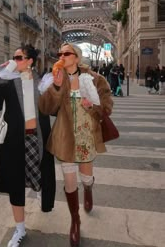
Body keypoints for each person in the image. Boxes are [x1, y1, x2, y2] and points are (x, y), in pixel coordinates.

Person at [38, 42, 113, 247]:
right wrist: (55, 86)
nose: (61, 56)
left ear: (77, 58)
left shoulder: (95, 79)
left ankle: (88, 188)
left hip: (86, 136)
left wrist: (92, 106)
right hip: (64, 136)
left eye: (66, 53)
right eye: (59, 53)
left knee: (85, 177)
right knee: (69, 180)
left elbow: (106, 107)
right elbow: (45, 108)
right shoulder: (56, 78)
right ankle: (75, 220)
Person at [0, 45, 56, 247]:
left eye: (19, 57)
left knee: (41, 177)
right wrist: (1, 78)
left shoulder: (42, 82)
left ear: (30, 61)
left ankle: (41, 196)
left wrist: (58, 89)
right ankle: (19, 229)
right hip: (14, 140)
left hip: (38, 139)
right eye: (14, 57)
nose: (15, 60)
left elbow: (53, 110)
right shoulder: (8, 81)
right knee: (15, 183)